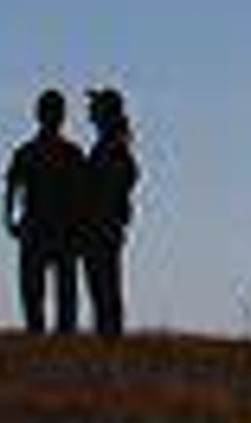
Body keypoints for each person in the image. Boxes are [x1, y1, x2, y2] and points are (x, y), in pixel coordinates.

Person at [4, 88, 92, 333]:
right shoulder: (67, 153)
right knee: (47, 288)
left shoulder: (35, 151)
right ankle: (49, 333)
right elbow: (12, 187)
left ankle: (50, 332)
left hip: (51, 228)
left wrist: (10, 219)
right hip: (48, 227)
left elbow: (12, 188)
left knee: (49, 288)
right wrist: (9, 219)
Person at [79, 88, 140, 337]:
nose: (90, 112)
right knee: (105, 286)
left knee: (104, 285)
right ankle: (108, 334)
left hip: (102, 224)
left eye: (95, 107)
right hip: (106, 223)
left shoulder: (112, 146)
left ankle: (109, 335)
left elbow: (117, 182)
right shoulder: (113, 144)